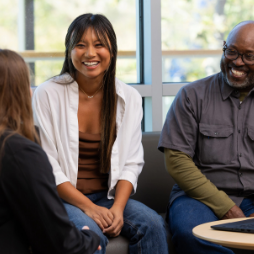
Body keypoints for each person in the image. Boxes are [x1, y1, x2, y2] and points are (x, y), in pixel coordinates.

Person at [32, 13, 168, 254]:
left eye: (99, 45)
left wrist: (117, 208)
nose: (90, 54)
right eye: (80, 45)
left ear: (112, 51)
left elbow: (132, 162)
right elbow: (47, 166)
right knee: (90, 235)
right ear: (69, 51)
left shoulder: (129, 98)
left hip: (107, 197)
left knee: (154, 224)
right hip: (62, 199)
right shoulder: (47, 94)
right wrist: (89, 209)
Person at [158, 20, 254, 254]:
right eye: (231, 51)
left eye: (249, 56)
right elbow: (177, 162)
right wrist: (227, 207)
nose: (237, 62)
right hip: (197, 198)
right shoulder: (192, 96)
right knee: (192, 233)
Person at [0, 49, 101, 254]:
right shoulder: (19, 152)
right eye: (26, 84)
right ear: (19, 92)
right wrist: (90, 238)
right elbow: (61, 243)